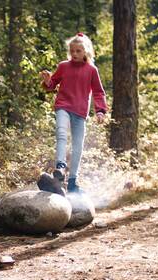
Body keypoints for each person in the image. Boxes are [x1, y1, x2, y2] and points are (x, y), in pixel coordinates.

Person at [39, 32, 107, 193]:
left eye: (79, 51)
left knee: (78, 146)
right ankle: (60, 167)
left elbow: (98, 92)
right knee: (61, 133)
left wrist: (100, 111)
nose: (75, 54)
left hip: (80, 111)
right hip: (63, 105)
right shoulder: (63, 66)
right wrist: (48, 81)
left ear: (86, 52)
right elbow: (52, 84)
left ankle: (73, 181)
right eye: (73, 51)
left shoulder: (92, 70)